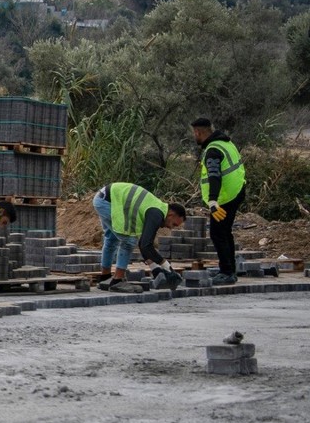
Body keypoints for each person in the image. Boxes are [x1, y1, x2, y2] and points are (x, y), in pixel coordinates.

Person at [92, 182, 187, 293]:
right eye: (174, 224)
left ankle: (105, 278)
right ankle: (117, 281)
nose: (170, 228)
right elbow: (145, 245)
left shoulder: (156, 209)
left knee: (111, 238)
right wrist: (166, 266)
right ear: (171, 215)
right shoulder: (156, 213)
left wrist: (154, 269)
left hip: (103, 198)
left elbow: (144, 244)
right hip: (108, 202)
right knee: (129, 241)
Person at [192, 117, 246, 285]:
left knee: (217, 233)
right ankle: (229, 269)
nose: (195, 136)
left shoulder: (213, 150)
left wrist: (213, 201)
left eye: (194, 133)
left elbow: (214, 175)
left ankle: (227, 272)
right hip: (236, 192)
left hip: (224, 198)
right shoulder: (226, 143)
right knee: (225, 232)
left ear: (198, 132)